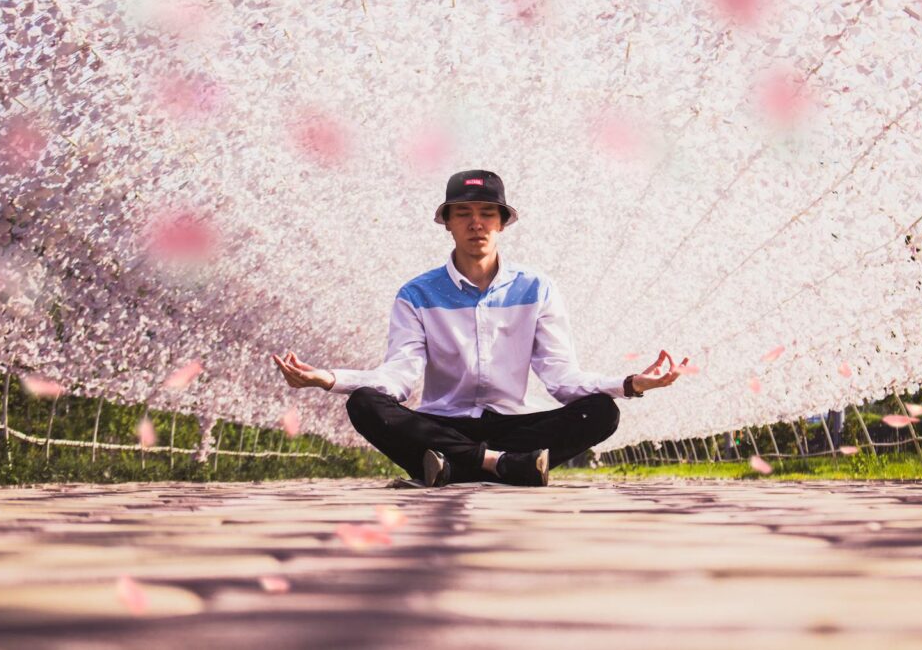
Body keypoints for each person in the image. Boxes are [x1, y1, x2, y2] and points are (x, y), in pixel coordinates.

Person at [273, 169, 688, 487]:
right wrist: (329, 379)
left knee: (600, 411)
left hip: (512, 426)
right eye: (464, 214)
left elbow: (561, 377)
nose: (476, 224)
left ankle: (455, 467)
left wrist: (630, 384)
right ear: (447, 223)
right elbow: (398, 377)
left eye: (487, 213)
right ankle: (502, 466)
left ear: (502, 223)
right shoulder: (416, 294)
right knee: (364, 403)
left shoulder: (537, 289)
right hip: (442, 424)